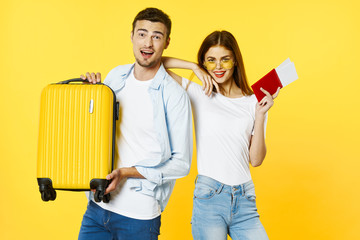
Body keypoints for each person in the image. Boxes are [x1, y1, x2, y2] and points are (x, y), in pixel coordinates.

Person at [78, 8, 192, 240]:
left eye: (156, 36)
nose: (148, 42)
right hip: (98, 208)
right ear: (132, 36)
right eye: (142, 34)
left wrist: (126, 173)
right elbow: (95, 130)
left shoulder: (174, 95)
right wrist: (91, 95)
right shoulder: (115, 77)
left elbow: (181, 164)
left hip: (139, 216)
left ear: (166, 42)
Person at [162, 30, 280, 240]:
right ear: (204, 64)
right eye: (211, 60)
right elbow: (156, 63)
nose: (218, 67)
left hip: (245, 198)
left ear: (235, 61)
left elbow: (256, 160)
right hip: (210, 197)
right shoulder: (199, 93)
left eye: (224, 59)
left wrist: (260, 115)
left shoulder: (254, 102)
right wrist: (193, 67)